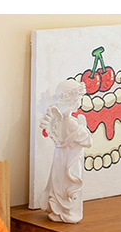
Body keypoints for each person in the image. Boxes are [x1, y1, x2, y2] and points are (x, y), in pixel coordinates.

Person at [38, 79, 93, 223]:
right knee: (68, 186)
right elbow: (88, 141)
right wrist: (83, 124)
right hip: (71, 161)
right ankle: (68, 213)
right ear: (73, 101)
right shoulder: (71, 123)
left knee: (59, 184)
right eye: (79, 99)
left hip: (60, 159)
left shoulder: (61, 121)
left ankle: (59, 211)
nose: (80, 102)